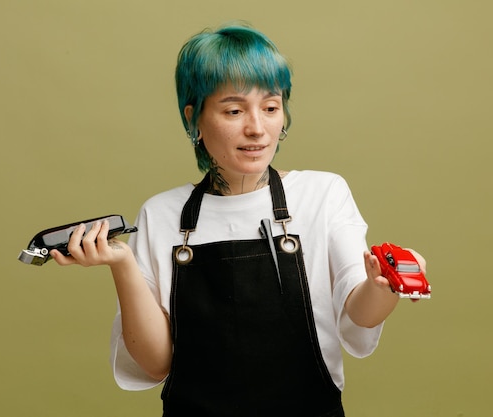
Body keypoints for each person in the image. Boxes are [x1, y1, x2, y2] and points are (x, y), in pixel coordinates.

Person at [51, 23, 426, 417]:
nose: (257, 128)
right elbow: (155, 362)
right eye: (233, 110)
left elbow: (358, 315)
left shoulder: (323, 195)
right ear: (193, 117)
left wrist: (384, 284)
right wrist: (122, 263)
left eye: (270, 107)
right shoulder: (162, 215)